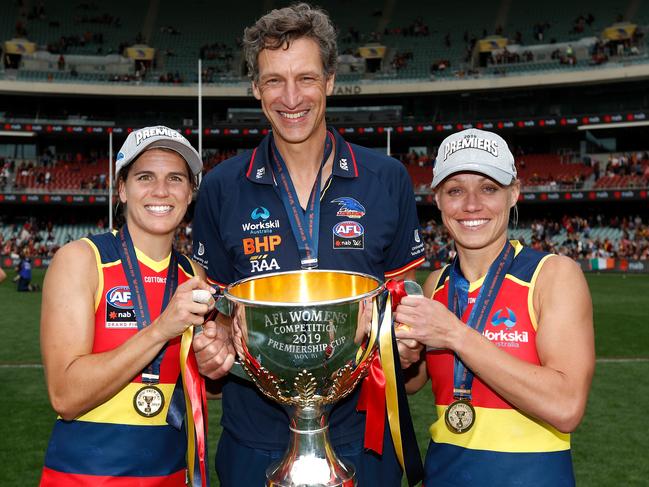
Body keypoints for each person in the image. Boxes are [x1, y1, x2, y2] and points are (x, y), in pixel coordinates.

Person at [190, 4, 426, 486]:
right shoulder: (221, 186)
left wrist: (406, 341)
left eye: (306, 78)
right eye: (274, 80)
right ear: (256, 89)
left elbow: (406, 297)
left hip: (367, 435)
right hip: (254, 438)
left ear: (331, 81)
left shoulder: (386, 179)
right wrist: (209, 346)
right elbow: (213, 312)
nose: (291, 97)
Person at [394, 128, 595, 486]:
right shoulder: (435, 285)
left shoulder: (552, 275)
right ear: (437, 198)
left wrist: (457, 335)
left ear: (513, 193)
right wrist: (400, 354)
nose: (472, 204)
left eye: (489, 188)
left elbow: (566, 407)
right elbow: (412, 383)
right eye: (455, 190)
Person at [40, 126, 228, 486]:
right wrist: (160, 330)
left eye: (175, 178)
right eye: (145, 177)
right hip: (83, 478)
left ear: (190, 193)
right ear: (123, 189)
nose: (161, 190)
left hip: (170, 476)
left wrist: (216, 364)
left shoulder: (195, 274)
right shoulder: (82, 260)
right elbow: (64, 396)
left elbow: (205, 387)